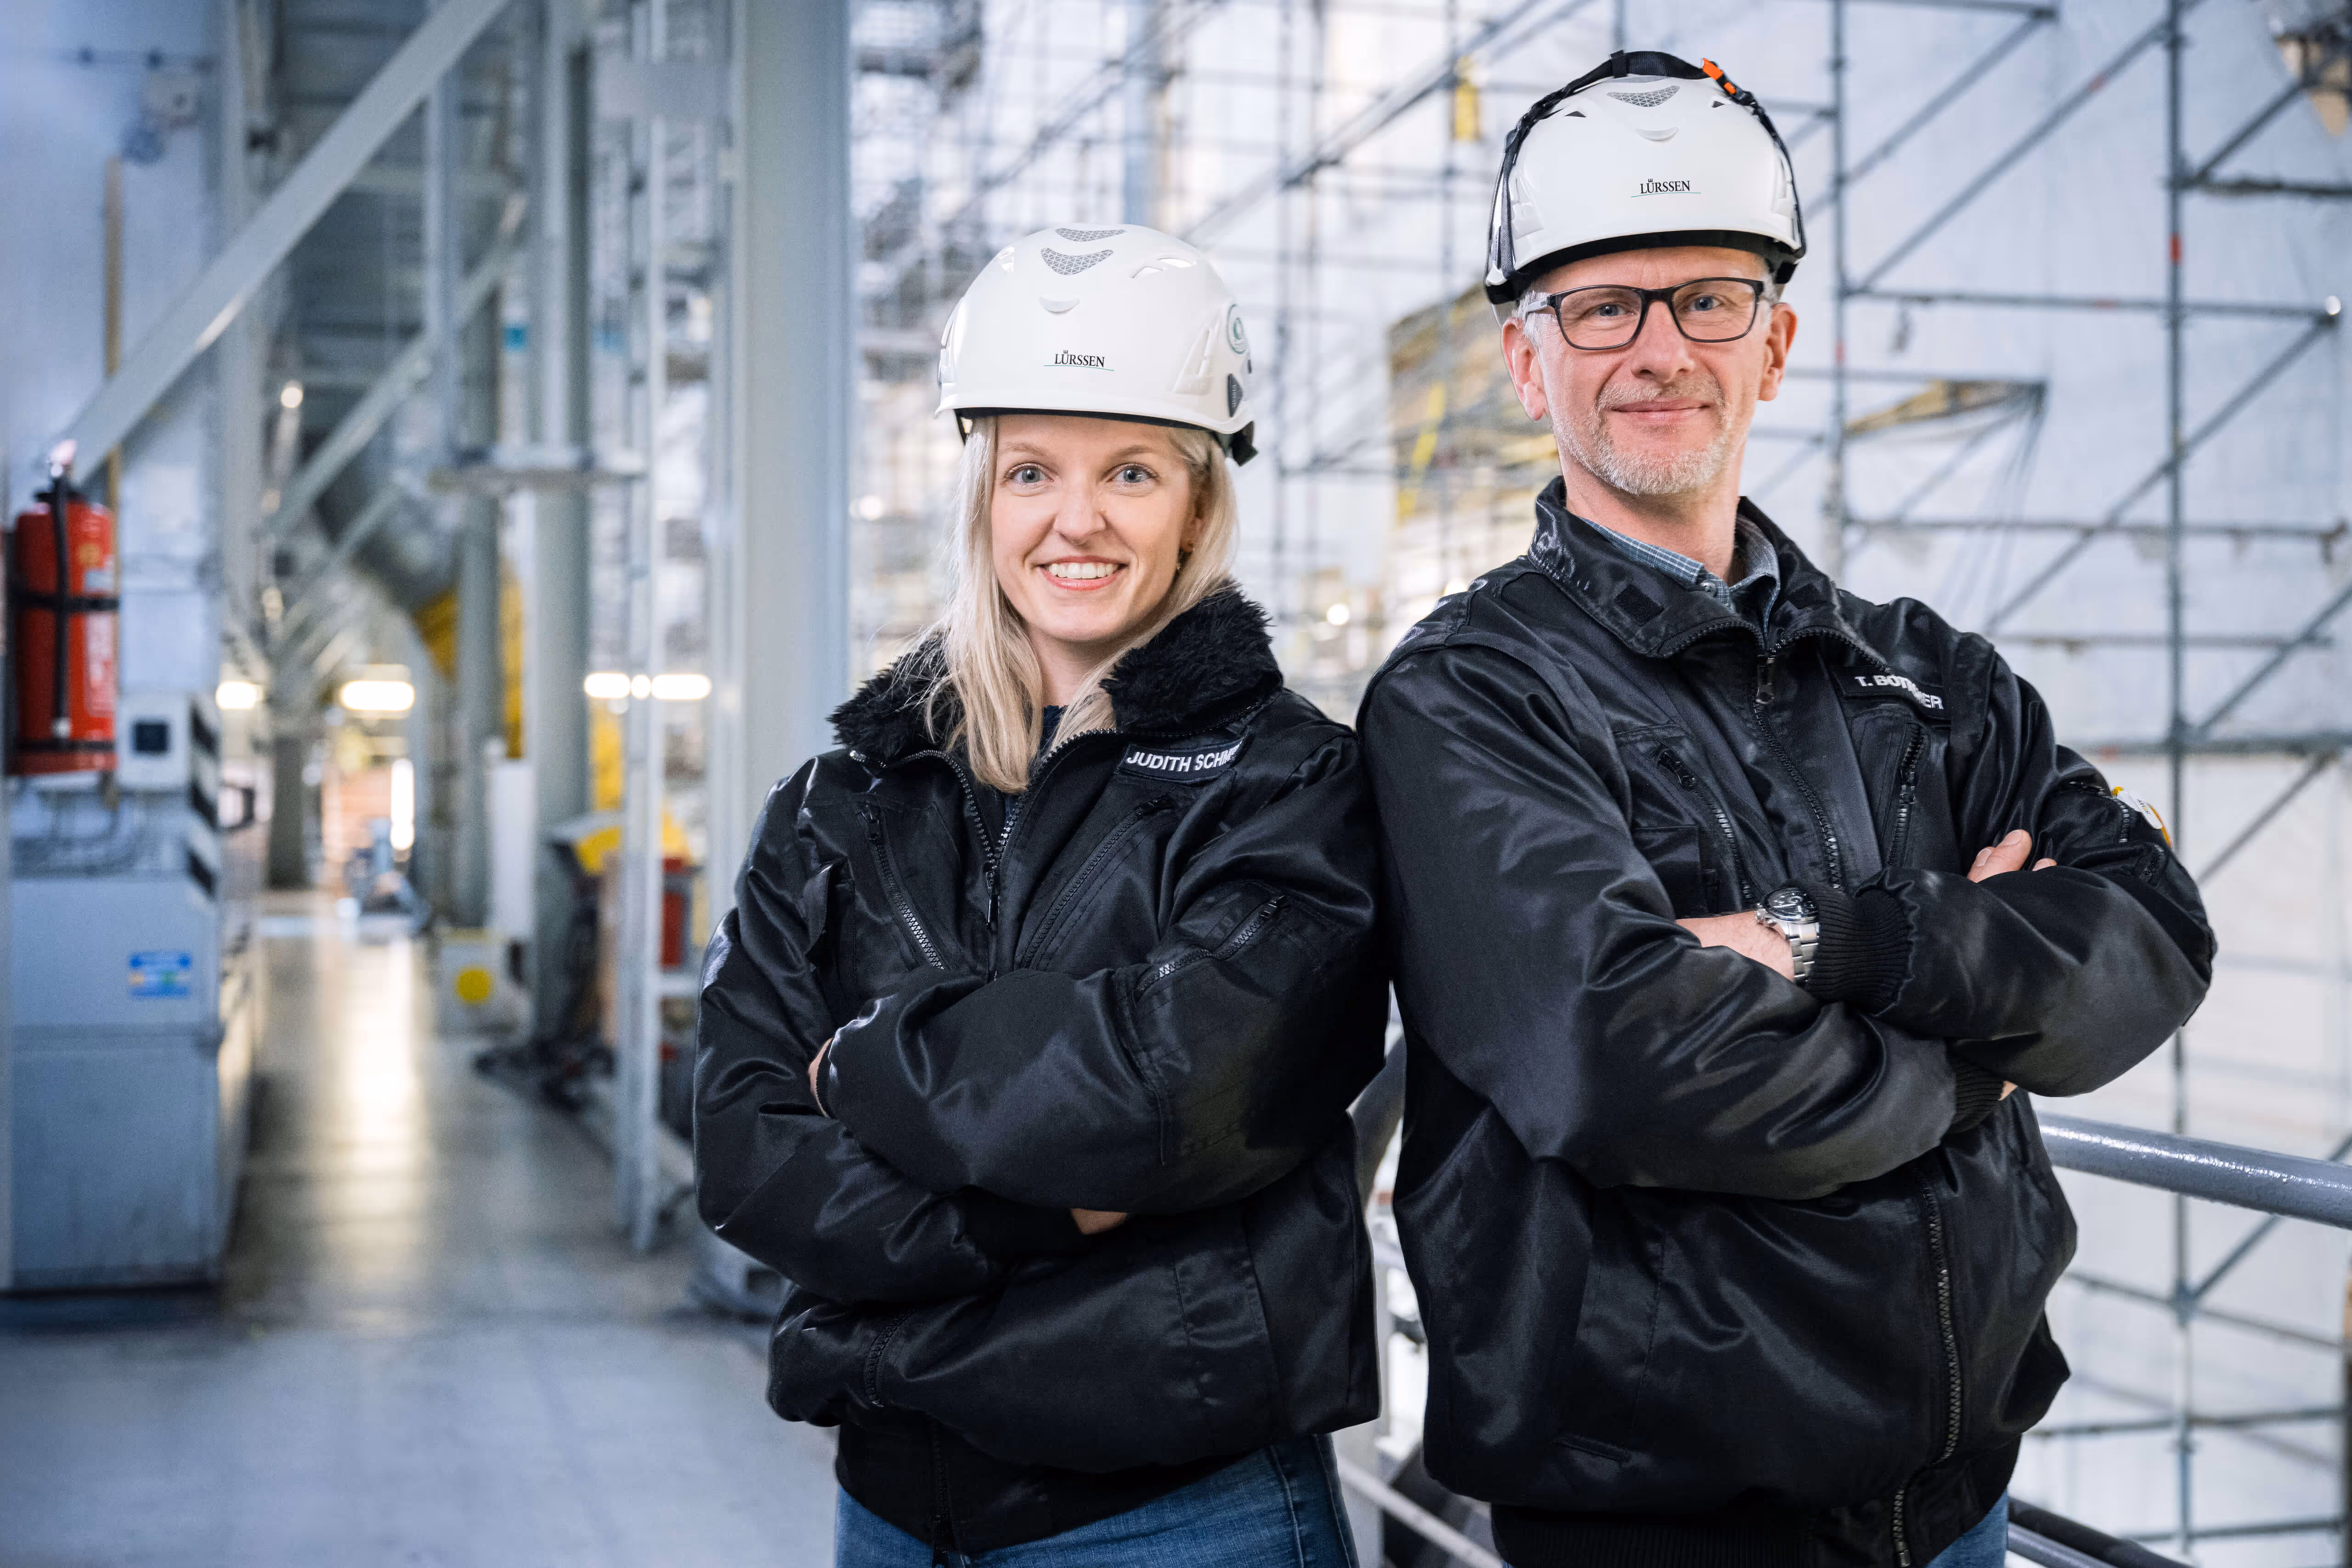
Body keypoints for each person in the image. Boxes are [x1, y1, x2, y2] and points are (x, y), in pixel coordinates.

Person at [1357, 50, 2215, 1568]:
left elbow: (2150, 931)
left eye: (1708, 299)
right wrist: (1973, 1053)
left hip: (1960, 1500)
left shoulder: (1926, 674)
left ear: (1776, 341)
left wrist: (1833, 944)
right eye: (1601, 307)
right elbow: (1617, 1057)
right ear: (1526, 362)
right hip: (1657, 1517)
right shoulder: (1468, 696)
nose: (1658, 350)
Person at [695, 224, 1386, 1568]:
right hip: (891, 1506)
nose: (1077, 520)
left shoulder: (1290, 786)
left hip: (1182, 1516)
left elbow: (1177, 1098)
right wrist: (1037, 1202)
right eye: (1032, 471)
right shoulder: (848, 797)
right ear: (981, 499)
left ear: (1198, 506)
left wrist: (872, 1065)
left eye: (1130, 470)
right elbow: (747, 1150)